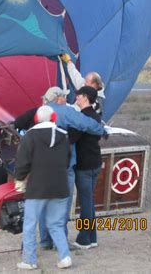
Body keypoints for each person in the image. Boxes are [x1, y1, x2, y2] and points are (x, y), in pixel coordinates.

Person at [14, 86, 105, 250]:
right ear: (59, 99)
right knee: (60, 206)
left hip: (40, 168)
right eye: (64, 97)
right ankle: (59, 243)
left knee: (41, 205)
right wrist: (102, 129)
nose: (68, 99)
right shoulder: (66, 112)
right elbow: (90, 125)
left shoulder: (38, 112)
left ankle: (46, 241)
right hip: (64, 166)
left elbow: (17, 124)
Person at [15, 105, 72, 270]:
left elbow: (23, 162)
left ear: (35, 119)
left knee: (30, 224)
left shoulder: (30, 136)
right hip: (60, 186)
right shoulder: (65, 136)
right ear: (54, 117)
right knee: (56, 224)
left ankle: (30, 260)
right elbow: (68, 160)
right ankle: (65, 256)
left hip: (37, 187)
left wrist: (19, 179)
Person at [68, 86, 102, 249]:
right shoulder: (96, 116)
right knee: (89, 200)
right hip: (95, 163)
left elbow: (71, 138)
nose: (76, 97)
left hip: (84, 165)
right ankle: (92, 237)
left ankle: (84, 239)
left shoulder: (81, 118)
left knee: (86, 202)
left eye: (79, 95)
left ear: (86, 97)